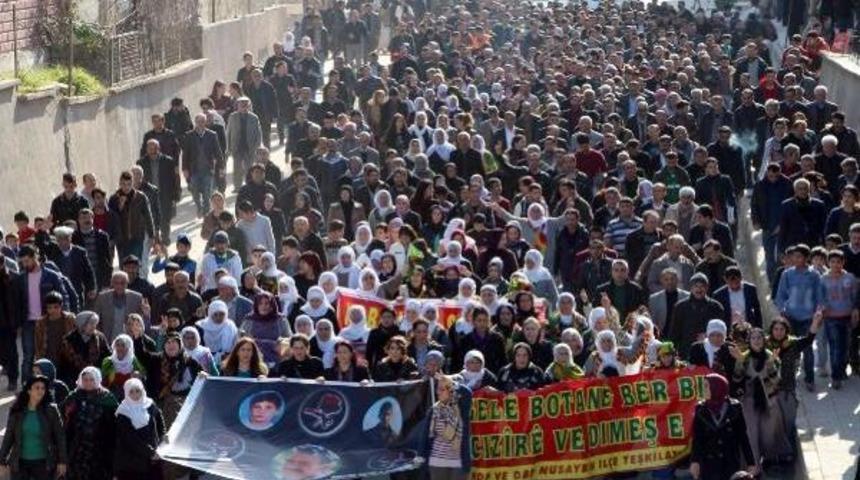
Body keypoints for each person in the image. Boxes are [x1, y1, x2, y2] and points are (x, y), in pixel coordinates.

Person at [731, 328, 792, 469]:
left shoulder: (770, 355)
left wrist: (770, 365)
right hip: (749, 400)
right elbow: (736, 379)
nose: (757, 341)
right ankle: (754, 467)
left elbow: (777, 381)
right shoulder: (744, 357)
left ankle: (771, 459)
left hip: (769, 400)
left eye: (759, 338)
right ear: (749, 341)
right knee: (751, 433)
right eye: (753, 338)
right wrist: (739, 362)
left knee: (769, 433)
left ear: (763, 340)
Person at [689, 373, 756, 480]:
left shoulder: (735, 408)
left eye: (707, 386)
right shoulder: (700, 409)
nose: (703, 389)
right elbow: (697, 438)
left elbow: (743, 437)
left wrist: (751, 463)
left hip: (730, 462)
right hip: (708, 464)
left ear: (716, 387)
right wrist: (694, 461)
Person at [0, 375, 67, 480]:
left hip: (44, 464)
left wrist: (62, 461)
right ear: (29, 391)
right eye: (37, 388)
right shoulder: (17, 411)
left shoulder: (51, 410)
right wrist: (2, 460)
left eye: (43, 388)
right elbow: (8, 436)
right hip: (20, 464)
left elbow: (60, 437)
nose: (40, 391)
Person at [61, 366, 118, 480]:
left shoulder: (107, 399)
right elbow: (63, 418)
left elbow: (113, 428)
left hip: (99, 449)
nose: (88, 383)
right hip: (77, 448)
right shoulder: (74, 397)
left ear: (97, 380)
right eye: (85, 380)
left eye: (91, 380)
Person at [113, 378, 165, 480]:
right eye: (131, 392)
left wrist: (163, 436)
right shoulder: (123, 412)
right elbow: (130, 439)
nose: (135, 395)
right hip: (133, 463)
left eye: (138, 391)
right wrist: (151, 452)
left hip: (153, 459)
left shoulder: (150, 404)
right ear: (126, 393)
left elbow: (159, 420)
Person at [428, 374, 471, 480]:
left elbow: (467, 393)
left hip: (458, 462)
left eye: (445, 388)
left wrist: (452, 383)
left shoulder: (462, 409)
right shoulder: (434, 409)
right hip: (437, 461)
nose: (440, 392)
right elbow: (426, 435)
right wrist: (421, 455)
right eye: (440, 389)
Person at [108, 171, 155, 262]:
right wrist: (119, 208)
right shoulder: (114, 198)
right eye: (123, 184)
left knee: (136, 264)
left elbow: (148, 216)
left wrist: (152, 235)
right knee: (124, 266)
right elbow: (111, 219)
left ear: (132, 183)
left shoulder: (140, 197)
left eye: (129, 184)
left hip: (137, 237)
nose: (126, 187)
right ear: (120, 183)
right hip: (121, 239)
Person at [100, 334, 145, 400]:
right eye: (118, 345)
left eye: (123, 345)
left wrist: (138, 374)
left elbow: (143, 373)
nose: (120, 348)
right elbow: (102, 379)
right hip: (112, 391)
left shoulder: (133, 361)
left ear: (128, 348)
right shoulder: (108, 361)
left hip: (130, 392)